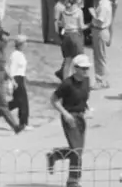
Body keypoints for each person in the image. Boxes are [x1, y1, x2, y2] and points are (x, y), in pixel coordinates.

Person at [47, 53, 92, 186]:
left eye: (87, 68)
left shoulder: (86, 81)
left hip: (81, 117)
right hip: (70, 117)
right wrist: (65, 114)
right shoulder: (67, 84)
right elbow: (54, 100)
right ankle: (73, 180)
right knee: (76, 150)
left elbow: (83, 98)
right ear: (76, 68)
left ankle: (55, 155)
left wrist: (87, 109)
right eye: (83, 68)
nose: (85, 71)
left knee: (78, 149)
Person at [0, 34, 30, 131]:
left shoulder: (21, 54)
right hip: (16, 79)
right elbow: (12, 69)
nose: (26, 45)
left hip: (21, 78)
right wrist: (11, 83)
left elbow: (21, 69)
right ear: (21, 44)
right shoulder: (15, 55)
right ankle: (23, 123)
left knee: (18, 102)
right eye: (25, 43)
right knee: (22, 102)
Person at [56, 0, 86, 81]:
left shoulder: (64, 11)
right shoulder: (79, 12)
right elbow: (81, 26)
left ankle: (65, 81)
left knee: (67, 61)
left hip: (66, 35)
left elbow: (62, 24)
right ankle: (76, 80)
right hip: (75, 35)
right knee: (78, 60)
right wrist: (90, 25)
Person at [88, 0, 113, 89]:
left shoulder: (103, 5)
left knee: (99, 57)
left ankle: (100, 80)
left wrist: (92, 13)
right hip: (102, 31)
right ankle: (105, 80)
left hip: (100, 30)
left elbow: (100, 20)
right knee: (102, 56)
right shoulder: (105, 2)